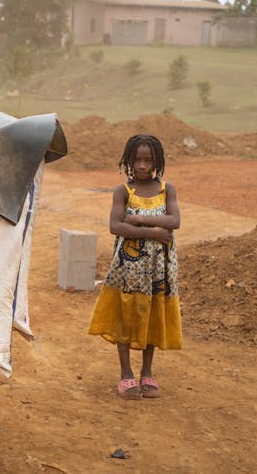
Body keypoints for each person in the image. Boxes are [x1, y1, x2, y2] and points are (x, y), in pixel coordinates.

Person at [87, 134, 182, 400]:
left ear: (157, 162)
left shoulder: (167, 190)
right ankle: (126, 374)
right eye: (137, 160)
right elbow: (115, 226)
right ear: (129, 160)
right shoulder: (122, 191)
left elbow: (174, 221)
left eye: (148, 160)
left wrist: (136, 219)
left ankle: (148, 372)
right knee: (127, 315)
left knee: (152, 314)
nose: (142, 165)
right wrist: (153, 231)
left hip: (159, 269)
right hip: (128, 271)